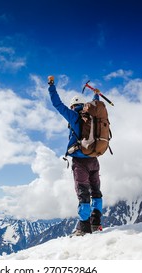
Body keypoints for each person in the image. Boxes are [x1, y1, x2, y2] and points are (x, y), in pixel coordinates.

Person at [48, 77, 103, 235]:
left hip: (80, 162)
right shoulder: (92, 117)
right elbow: (96, 106)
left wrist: (51, 86)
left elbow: (57, 104)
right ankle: (96, 223)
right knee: (96, 192)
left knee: (83, 194)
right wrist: (96, 96)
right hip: (94, 159)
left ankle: (84, 228)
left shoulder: (73, 116)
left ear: (73, 106)